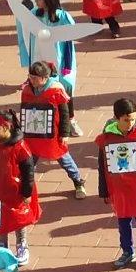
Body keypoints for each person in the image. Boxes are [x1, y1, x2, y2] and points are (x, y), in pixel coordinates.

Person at [96, 97, 136, 269]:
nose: (130, 123)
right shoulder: (106, 139)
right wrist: (103, 190)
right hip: (119, 191)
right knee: (123, 222)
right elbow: (102, 166)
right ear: (117, 118)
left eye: (133, 118)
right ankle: (127, 252)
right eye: (126, 120)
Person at [0, 109, 39, 264]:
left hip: (15, 191)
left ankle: (21, 244)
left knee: (18, 217)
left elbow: (28, 171)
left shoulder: (20, 146)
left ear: (7, 127)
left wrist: (26, 192)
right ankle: (2, 244)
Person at [20, 61, 87, 200]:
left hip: (53, 135)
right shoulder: (27, 91)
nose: (31, 80)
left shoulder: (56, 90)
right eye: (30, 77)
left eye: (35, 78)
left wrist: (65, 133)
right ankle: (27, 187)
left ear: (45, 77)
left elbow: (64, 114)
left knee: (64, 159)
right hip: (33, 135)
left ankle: (78, 182)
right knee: (29, 162)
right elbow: (24, 110)